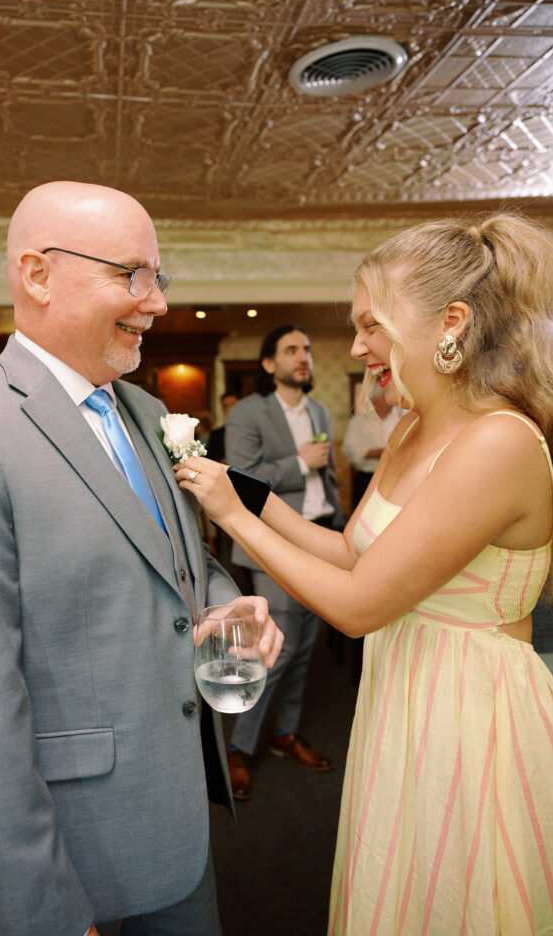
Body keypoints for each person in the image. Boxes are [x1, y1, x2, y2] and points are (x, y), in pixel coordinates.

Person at [0, 181, 283, 936]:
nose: (155, 301)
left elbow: (176, 561)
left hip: (174, 824)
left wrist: (225, 600)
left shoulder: (147, 411)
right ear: (37, 275)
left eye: (158, 277)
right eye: (129, 274)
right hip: (63, 854)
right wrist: (42, 909)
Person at [175, 213, 553, 934]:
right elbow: (352, 552)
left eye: (369, 325)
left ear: (450, 321)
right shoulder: (413, 425)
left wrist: (232, 519)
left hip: (469, 705)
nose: (354, 348)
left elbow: (355, 606)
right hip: (403, 686)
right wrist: (239, 490)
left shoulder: (498, 442)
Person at [223, 325, 345, 799]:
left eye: (308, 350)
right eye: (291, 350)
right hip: (272, 543)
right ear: (269, 363)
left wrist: (339, 525)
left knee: (305, 645)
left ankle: (283, 734)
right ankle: (239, 747)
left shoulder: (319, 410)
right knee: (276, 649)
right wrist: (298, 462)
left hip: (321, 538)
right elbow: (240, 479)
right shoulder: (249, 413)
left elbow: (327, 477)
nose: (303, 357)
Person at [341, 386, 401, 507]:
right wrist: (381, 453)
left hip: (394, 478)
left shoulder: (401, 420)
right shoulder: (359, 421)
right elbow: (351, 450)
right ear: (375, 400)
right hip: (367, 478)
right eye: (385, 396)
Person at [206, 393, 239, 464]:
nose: (230, 408)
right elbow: (210, 460)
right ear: (223, 410)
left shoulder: (251, 431)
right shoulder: (216, 434)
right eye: (226, 406)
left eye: (233, 404)